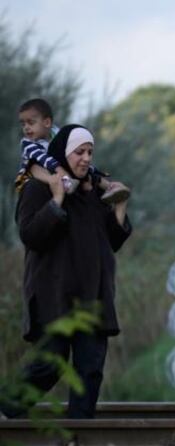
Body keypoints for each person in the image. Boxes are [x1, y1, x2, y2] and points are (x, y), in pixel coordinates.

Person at [1, 124, 131, 419]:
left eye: (90, 152)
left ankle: (79, 440)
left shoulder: (92, 194)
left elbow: (113, 240)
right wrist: (57, 198)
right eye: (79, 152)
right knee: (50, 363)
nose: (86, 158)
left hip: (93, 297)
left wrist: (119, 207)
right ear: (62, 153)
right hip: (54, 296)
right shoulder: (36, 189)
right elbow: (30, 236)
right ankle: (6, 410)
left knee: (90, 370)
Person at [15, 98, 130, 203]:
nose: (26, 127)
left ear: (47, 123)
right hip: (36, 173)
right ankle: (62, 182)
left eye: (31, 123)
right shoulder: (28, 143)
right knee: (33, 166)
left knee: (84, 167)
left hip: (56, 167)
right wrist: (61, 171)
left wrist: (88, 167)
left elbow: (67, 151)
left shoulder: (57, 134)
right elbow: (43, 159)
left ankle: (111, 188)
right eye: (23, 124)